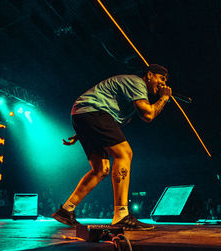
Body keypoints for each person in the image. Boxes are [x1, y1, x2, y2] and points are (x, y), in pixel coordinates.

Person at [52, 64, 172, 230]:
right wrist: (164, 98)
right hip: (93, 112)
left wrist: (81, 133)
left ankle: (66, 210)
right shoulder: (137, 83)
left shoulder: (131, 93)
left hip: (83, 114)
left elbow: (107, 122)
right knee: (124, 153)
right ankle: (121, 215)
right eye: (162, 79)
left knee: (100, 169)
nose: (163, 84)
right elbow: (148, 114)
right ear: (150, 75)